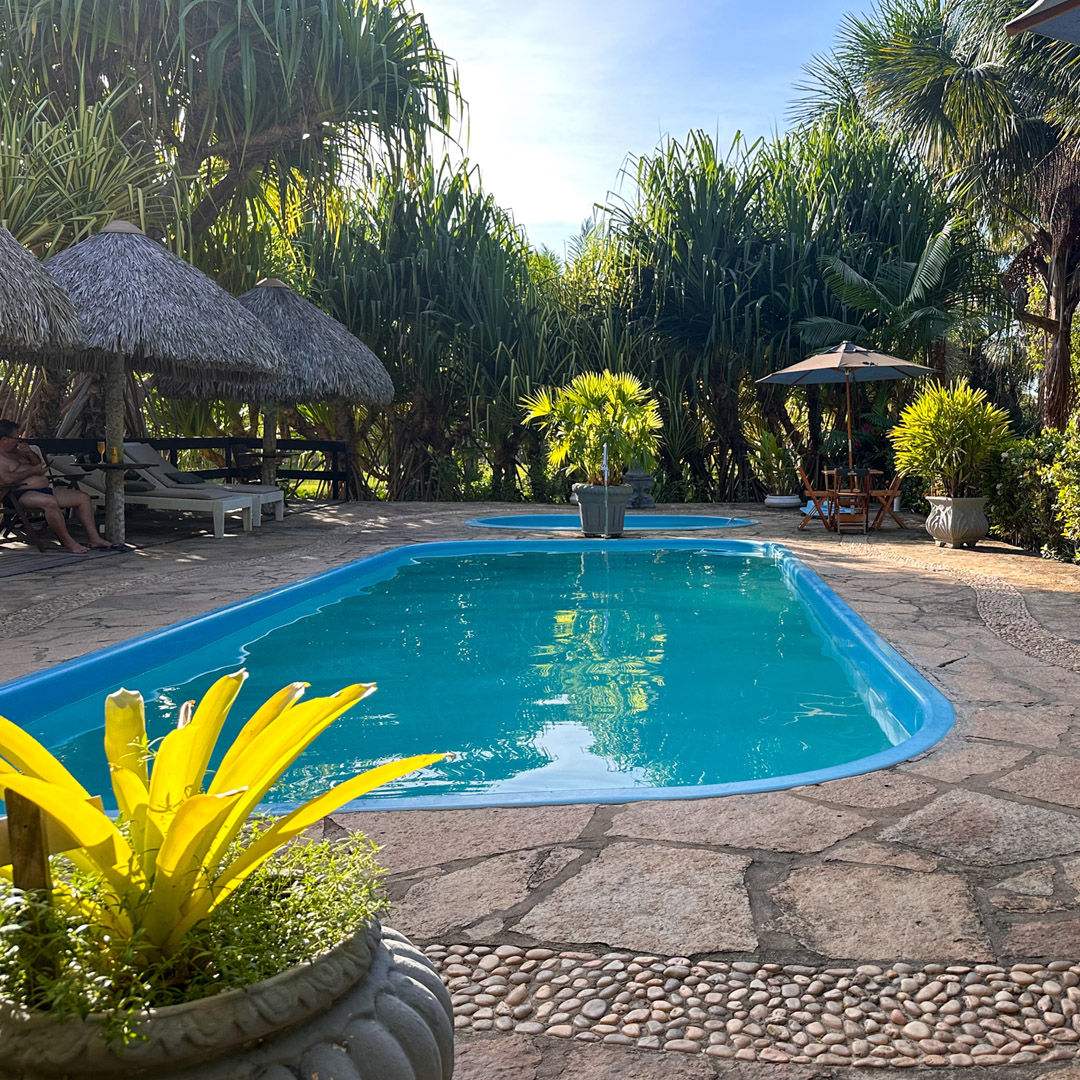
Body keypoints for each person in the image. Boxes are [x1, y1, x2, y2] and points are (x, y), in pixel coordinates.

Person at [0, 419, 117, 553]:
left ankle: (94, 539)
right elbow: (5, 479)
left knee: (82, 497)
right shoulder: (1, 457)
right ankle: (69, 542)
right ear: (5, 439)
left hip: (41, 489)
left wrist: (30, 454)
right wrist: (32, 472)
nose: (19, 440)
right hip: (16, 494)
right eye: (17, 437)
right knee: (49, 502)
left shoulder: (18, 451)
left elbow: (38, 463)